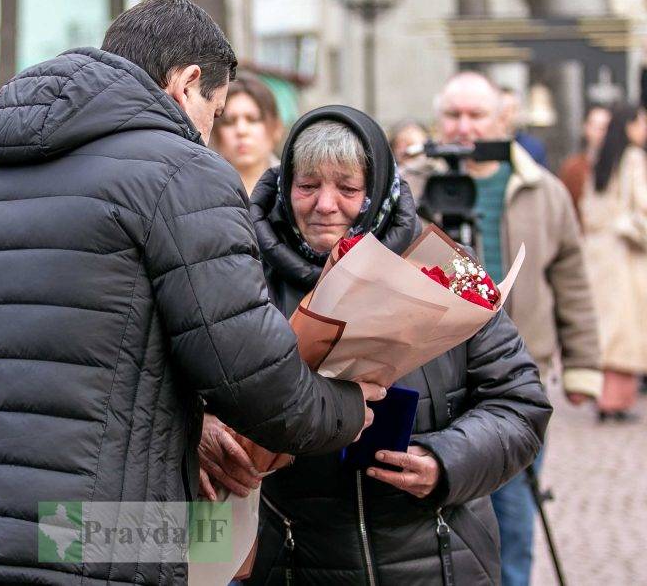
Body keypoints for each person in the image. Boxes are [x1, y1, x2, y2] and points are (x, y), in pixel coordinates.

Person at [0, 0, 384, 585]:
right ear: (187, 82)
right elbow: (251, 375)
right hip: (95, 537)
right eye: (214, 114)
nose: (208, 134)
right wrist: (348, 408)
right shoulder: (182, 173)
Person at [200, 105, 551, 585]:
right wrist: (210, 429)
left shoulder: (447, 270)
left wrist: (445, 461)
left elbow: (520, 402)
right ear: (285, 187)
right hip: (295, 561)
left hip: (438, 559)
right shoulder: (242, 274)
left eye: (347, 188)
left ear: (378, 191)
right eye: (307, 186)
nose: (325, 204)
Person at [431, 71, 601, 586]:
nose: (463, 127)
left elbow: (570, 279)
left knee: (514, 512)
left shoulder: (544, 191)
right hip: (433, 379)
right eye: (453, 115)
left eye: (476, 115)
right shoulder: (412, 185)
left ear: (504, 119)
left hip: (517, 378)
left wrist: (584, 367)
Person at [580, 104, 647, 421]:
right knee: (626, 326)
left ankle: (603, 396)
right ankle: (616, 400)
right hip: (623, 252)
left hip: (597, 251)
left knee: (605, 327)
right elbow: (642, 205)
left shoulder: (599, 157)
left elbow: (588, 207)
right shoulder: (633, 157)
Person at [211, 73, 283, 194]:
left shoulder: (295, 186)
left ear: (276, 128)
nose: (241, 130)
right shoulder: (199, 187)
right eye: (229, 122)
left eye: (253, 119)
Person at [559, 104, 612, 225]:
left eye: (605, 128)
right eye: (596, 127)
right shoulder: (573, 168)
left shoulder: (619, 168)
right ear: (586, 127)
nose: (601, 133)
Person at [499, 85, 549, 167]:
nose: (505, 114)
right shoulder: (482, 144)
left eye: (511, 109)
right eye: (502, 109)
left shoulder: (533, 146)